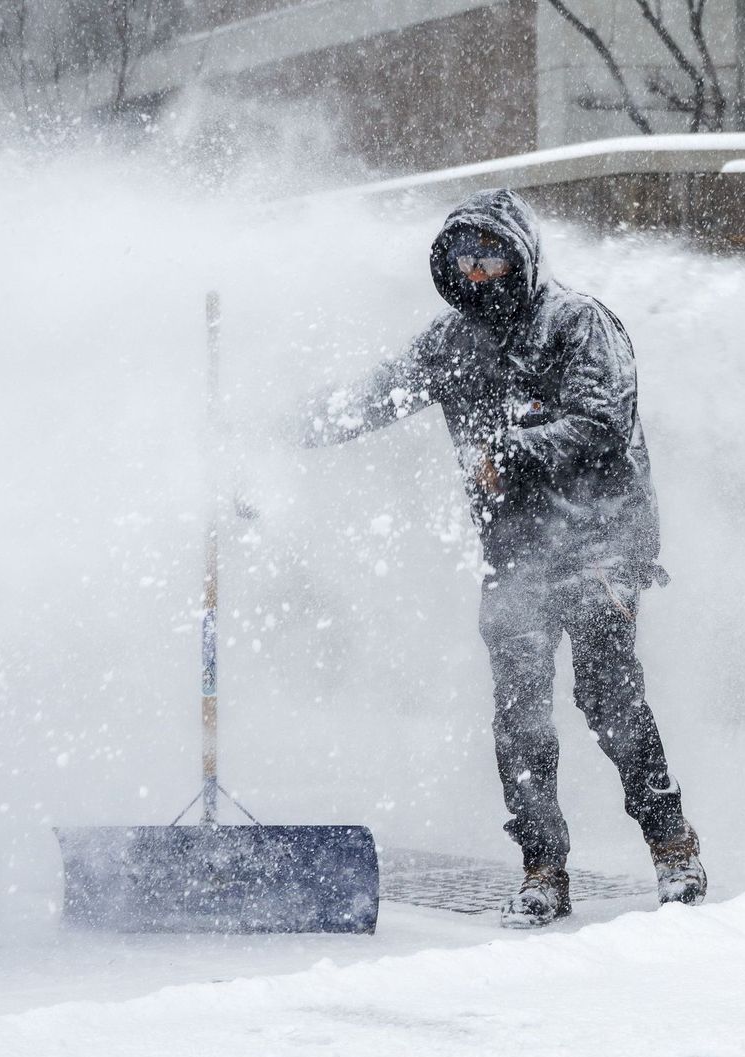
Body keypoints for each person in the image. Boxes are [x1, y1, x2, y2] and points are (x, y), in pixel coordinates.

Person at [301, 188, 704, 926]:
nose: (478, 274)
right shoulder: (450, 344)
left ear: (522, 256)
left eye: (491, 256)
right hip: (515, 554)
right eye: (463, 259)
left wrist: (511, 451)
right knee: (519, 715)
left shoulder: (579, 323)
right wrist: (278, 429)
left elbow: (604, 423)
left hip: (600, 544)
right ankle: (543, 866)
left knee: (608, 700)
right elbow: (374, 399)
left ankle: (671, 843)